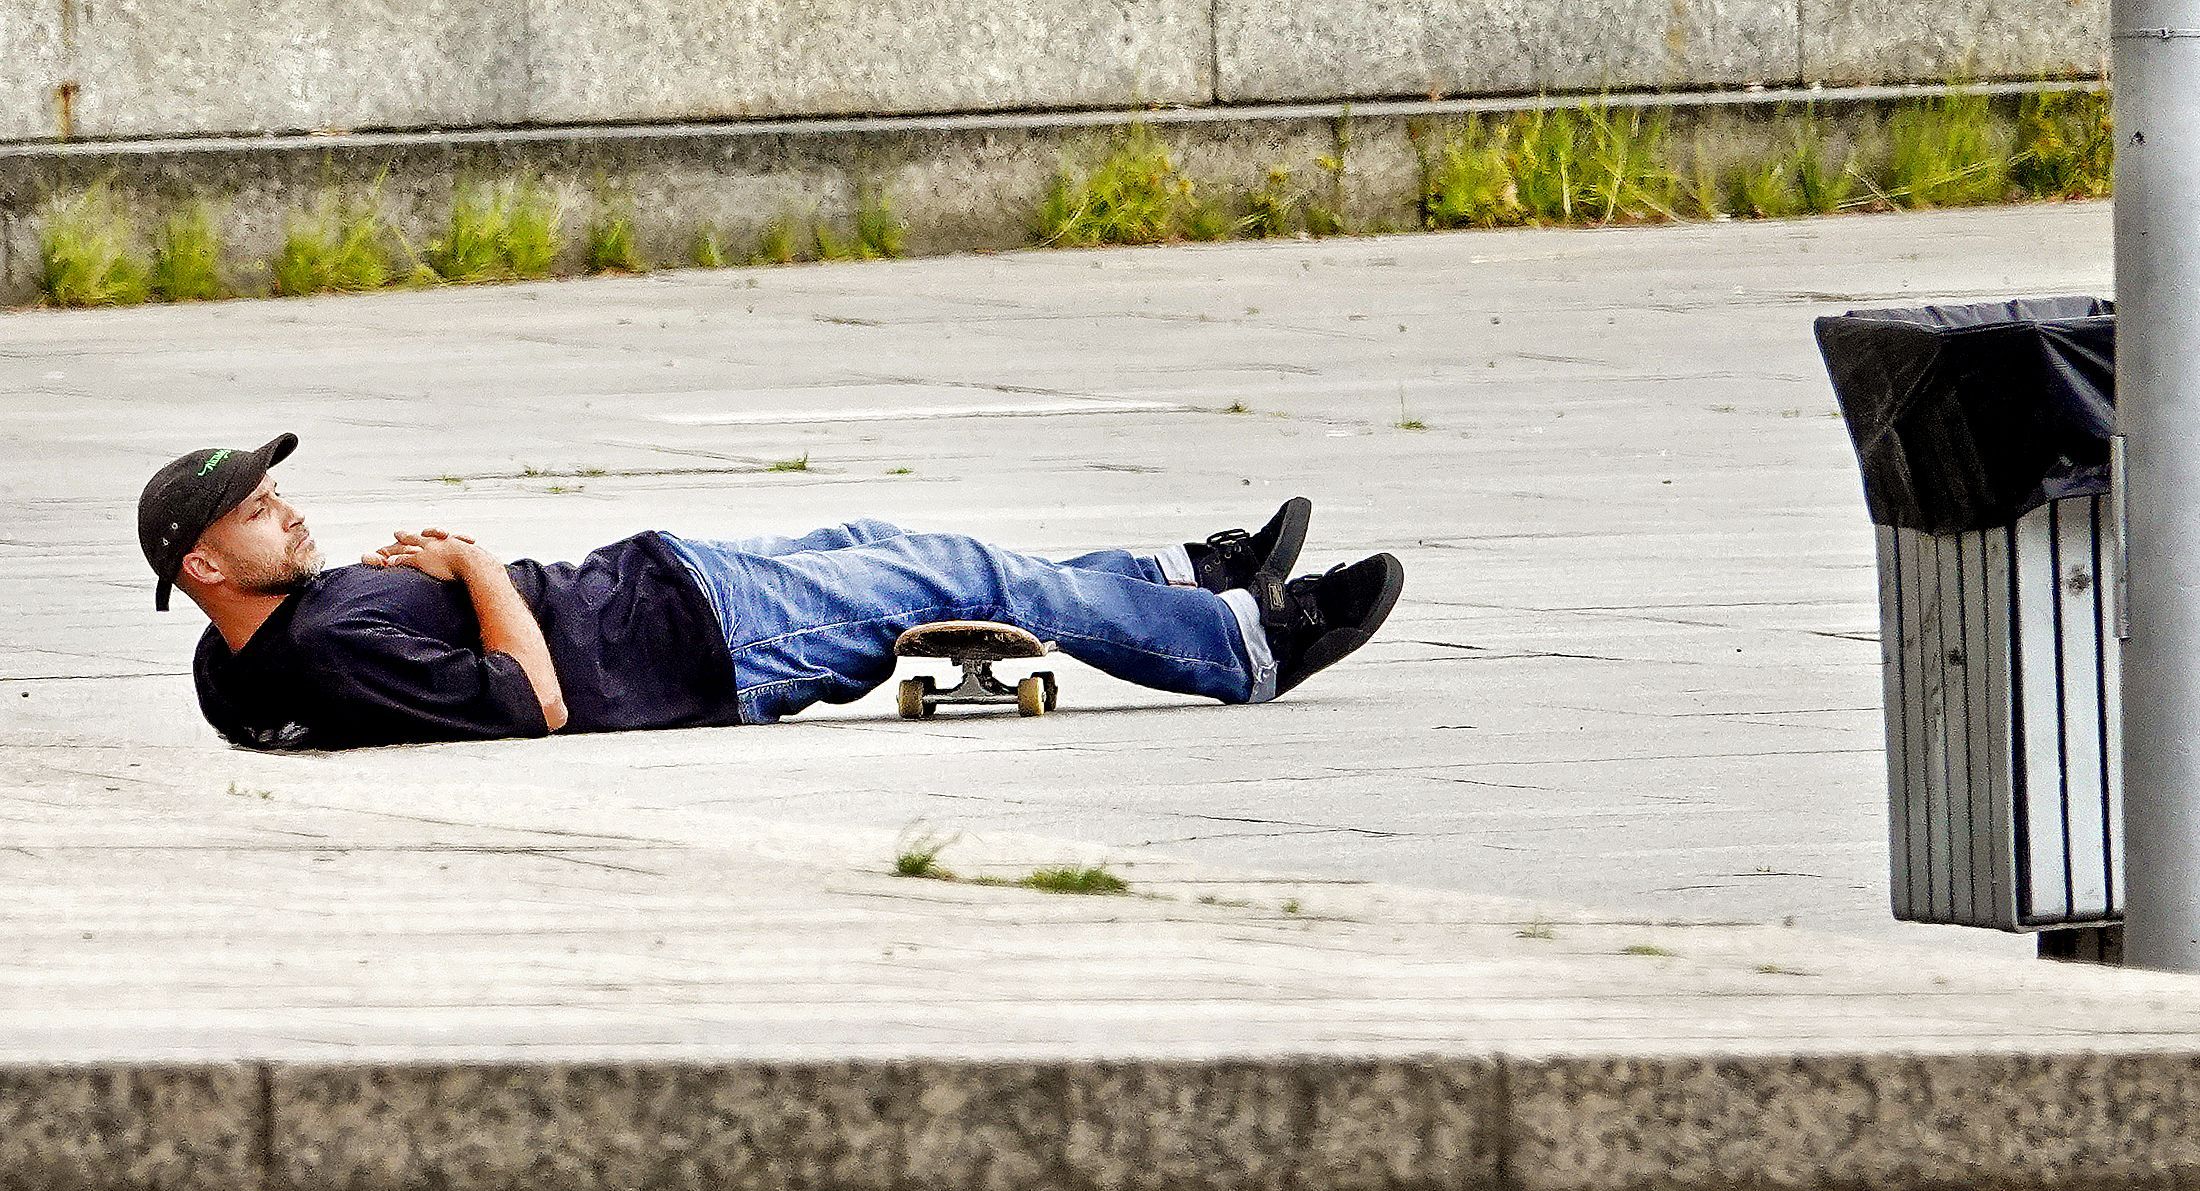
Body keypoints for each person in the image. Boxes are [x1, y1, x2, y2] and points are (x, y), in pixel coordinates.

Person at [140, 435, 1405, 751]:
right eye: (257, 509)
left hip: (667, 587)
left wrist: (417, 583)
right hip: (698, 644)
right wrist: (469, 565)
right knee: (950, 576)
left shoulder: (244, 659)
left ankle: (1178, 577)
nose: (287, 509)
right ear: (203, 565)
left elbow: (275, 701)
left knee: (891, 535)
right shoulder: (319, 651)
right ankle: (1247, 645)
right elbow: (533, 706)